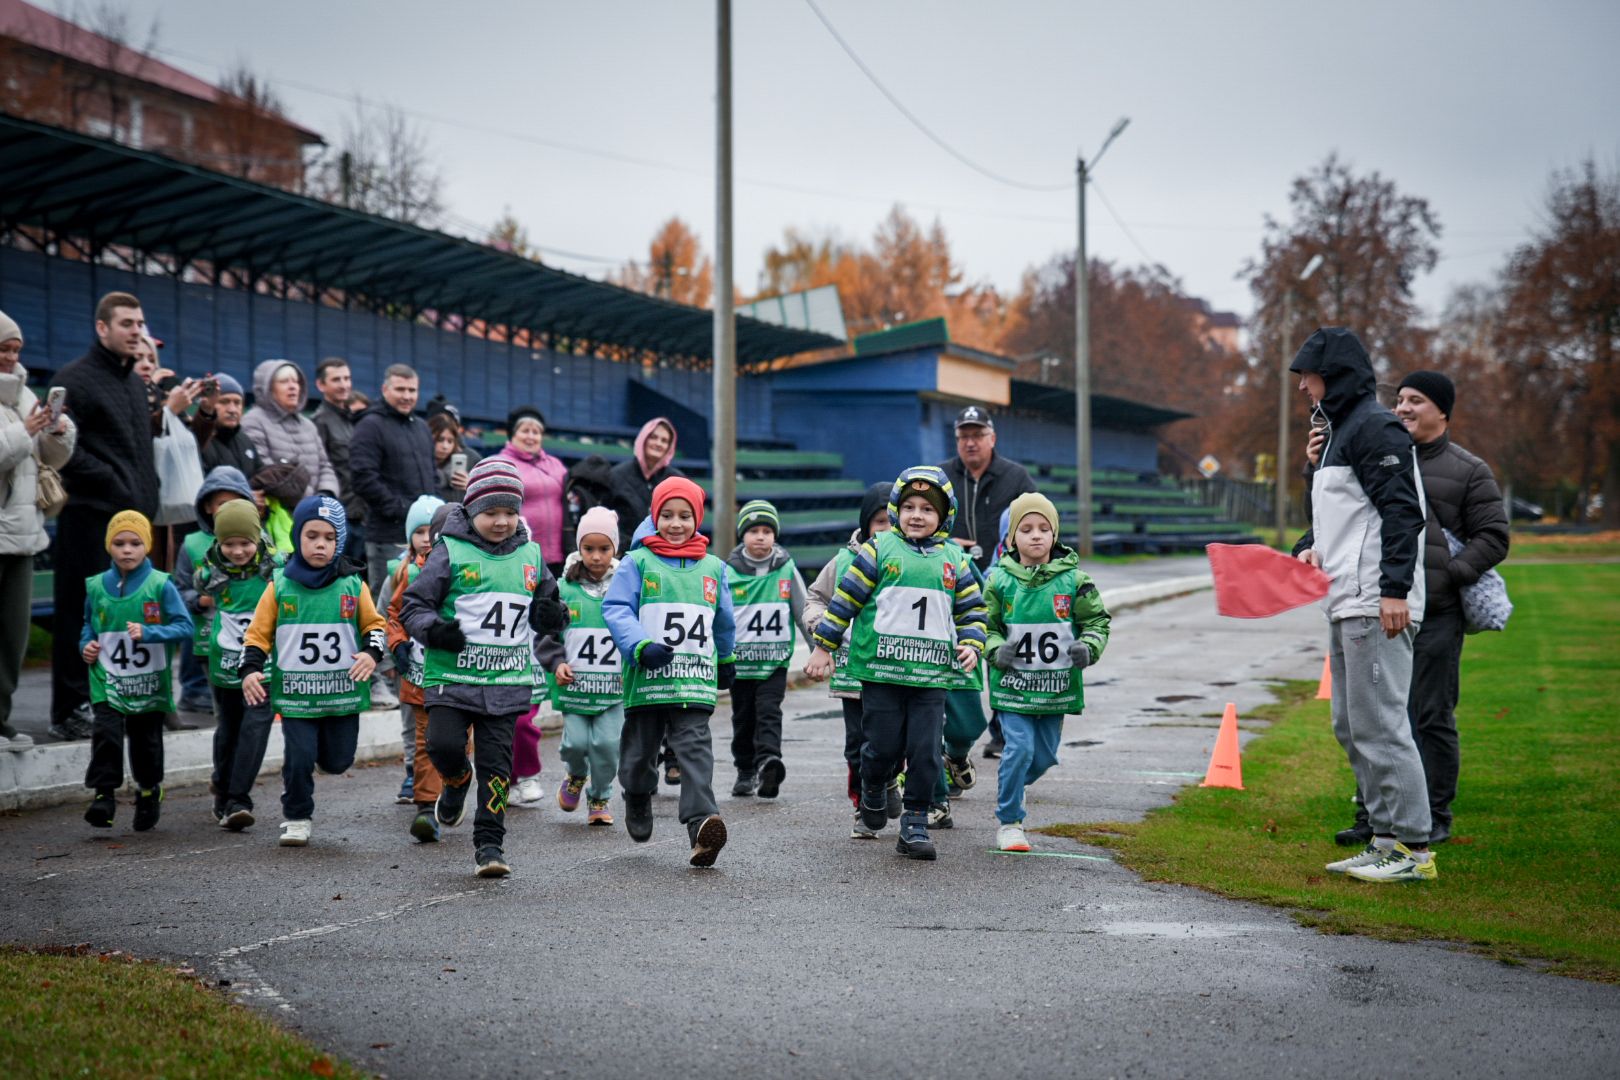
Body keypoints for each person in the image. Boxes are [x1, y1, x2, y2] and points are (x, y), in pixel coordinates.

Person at [1314, 371, 1510, 847]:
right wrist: (1315, 464)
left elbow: (1494, 536)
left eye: (1416, 400)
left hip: (1436, 611)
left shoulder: (1468, 469)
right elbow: (1329, 518)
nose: (1402, 408)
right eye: (1399, 399)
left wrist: (1449, 574)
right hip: (1379, 605)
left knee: (1429, 715)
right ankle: (1373, 816)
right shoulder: (1369, 450)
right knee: (1372, 717)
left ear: (1443, 411)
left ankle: (1434, 816)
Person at [1289, 328, 1436, 884]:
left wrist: (1394, 591)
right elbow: (1343, 517)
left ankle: (1413, 852)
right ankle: (1383, 838)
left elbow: (1402, 513)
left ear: (1336, 373)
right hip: (1346, 600)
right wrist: (1308, 545)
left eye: (1309, 373)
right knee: (1351, 725)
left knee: (1381, 725)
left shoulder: (1376, 427)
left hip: (1378, 603)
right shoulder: (1338, 433)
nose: (1303, 385)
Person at [806, 466, 988, 861]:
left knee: (924, 751)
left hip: (930, 676)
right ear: (895, 511)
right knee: (882, 747)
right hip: (881, 673)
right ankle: (873, 785)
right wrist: (824, 646)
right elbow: (845, 600)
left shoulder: (954, 560)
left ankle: (916, 822)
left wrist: (973, 643)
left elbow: (973, 610)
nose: (917, 515)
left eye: (927, 508)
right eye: (908, 506)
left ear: (944, 517)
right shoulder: (878, 550)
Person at [400, 459, 569, 878]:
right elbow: (413, 606)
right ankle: (456, 780)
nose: (501, 521)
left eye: (510, 512)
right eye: (491, 512)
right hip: (452, 678)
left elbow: (552, 605)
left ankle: (490, 845)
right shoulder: (449, 551)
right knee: (442, 745)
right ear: (472, 510)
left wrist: (552, 616)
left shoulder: (531, 555)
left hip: (506, 684)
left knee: (497, 768)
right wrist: (436, 632)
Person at [602, 476, 735, 867]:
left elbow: (722, 619)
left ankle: (701, 825)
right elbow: (616, 609)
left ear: (698, 518)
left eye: (685, 516)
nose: (676, 524)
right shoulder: (637, 562)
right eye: (667, 515)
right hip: (647, 680)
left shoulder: (714, 567)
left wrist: (726, 658)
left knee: (695, 751)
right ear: (654, 516)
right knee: (640, 753)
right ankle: (637, 794)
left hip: (693, 680)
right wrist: (640, 646)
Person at [238, 496, 385, 848]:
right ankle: (296, 815)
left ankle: (320, 762)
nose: (320, 544)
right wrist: (250, 670)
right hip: (296, 695)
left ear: (340, 542)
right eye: (312, 535)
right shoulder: (280, 585)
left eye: (329, 538)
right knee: (299, 754)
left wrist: (370, 653)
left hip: (342, 693)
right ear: (297, 537)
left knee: (338, 761)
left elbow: (375, 626)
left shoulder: (353, 585)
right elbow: (256, 635)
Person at [49, 292, 160, 741]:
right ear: (102, 328)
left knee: (122, 613)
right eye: (127, 323)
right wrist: (115, 484)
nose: (137, 330)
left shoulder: (133, 381)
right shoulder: (74, 380)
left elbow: (138, 450)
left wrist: (142, 495)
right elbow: (62, 453)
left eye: (140, 322)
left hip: (132, 522)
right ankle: (69, 708)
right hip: (89, 516)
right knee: (82, 612)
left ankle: (111, 699)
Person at [983, 493, 1111, 852]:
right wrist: (995, 649)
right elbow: (982, 626)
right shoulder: (999, 582)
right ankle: (1010, 822)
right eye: (1025, 529)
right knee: (1019, 748)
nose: (1035, 536)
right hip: (1013, 687)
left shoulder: (1074, 581)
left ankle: (1011, 784)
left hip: (1056, 689)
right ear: (1012, 539)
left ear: (1054, 535)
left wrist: (1089, 647)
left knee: (1043, 757)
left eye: (1044, 528)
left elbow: (1097, 621)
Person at [80, 511, 193, 830]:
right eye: (119, 543)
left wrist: (150, 633)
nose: (127, 550)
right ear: (108, 547)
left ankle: (148, 791)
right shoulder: (96, 586)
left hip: (148, 684)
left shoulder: (161, 585)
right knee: (106, 734)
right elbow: (89, 625)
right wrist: (85, 646)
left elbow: (184, 626)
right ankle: (104, 796)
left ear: (147, 546)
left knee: (146, 742)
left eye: (135, 543)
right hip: (108, 679)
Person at [802, 482, 903, 838]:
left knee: (894, 741)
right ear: (866, 524)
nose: (887, 530)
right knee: (858, 743)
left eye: (893, 521)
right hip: (852, 675)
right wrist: (820, 629)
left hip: (895, 672)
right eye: (879, 522)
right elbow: (816, 597)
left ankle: (888, 781)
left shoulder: (911, 561)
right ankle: (863, 805)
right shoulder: (844, 560)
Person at [939, 404, 1036, 761]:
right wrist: (949, 544)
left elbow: (1036, 522)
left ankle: (1001, 730)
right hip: (953, 580)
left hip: (1003, 581)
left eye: (977, 435)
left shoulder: (1016, 477)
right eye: (964, 436)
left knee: (1001, 654)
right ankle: (952, 729)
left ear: (992, 438)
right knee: (957, 656)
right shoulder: (941, 476)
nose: (971, 443)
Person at [0, 309, 76, 751]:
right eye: (4, 349)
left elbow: (54, 459)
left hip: (25, 532)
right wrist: (26, 434)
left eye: (16, 350)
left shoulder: (26, 393)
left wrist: (58, 431)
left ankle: (3, 722)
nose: (11, 357)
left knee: (12, 637)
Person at [194, 498, 280, 830]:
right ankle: (222, 785)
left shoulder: (274, 567)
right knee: (228, 728)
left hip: (262, 662)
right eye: (229, 544)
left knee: (255, 726)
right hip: (225, 660)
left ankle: (238, 799)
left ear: (257, 539)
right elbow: (196, 584)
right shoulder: (212, 570)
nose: (238, 551)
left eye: (245, 543)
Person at [537, 506, 625, 826]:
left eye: (604, 549)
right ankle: (576, 775)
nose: (597, 557)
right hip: (575, 687)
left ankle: (600, 796)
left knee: (607, 745)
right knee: (575, 742)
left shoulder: (626, 588)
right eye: (589, 549)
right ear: (578, 548)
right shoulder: (564, 589)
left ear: (615, 548)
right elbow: (549, 632)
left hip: (613, 688)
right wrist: (557, 661)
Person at [725, 499, 806, 799]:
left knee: (769, 711)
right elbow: (718, 617)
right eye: (753, 530)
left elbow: (803, 611)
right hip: (740, 664)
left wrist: (819, 649)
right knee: (743, 718)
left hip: (773, 662)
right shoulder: (728, 572)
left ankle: (769, 761)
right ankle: (745, 769)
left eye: (767, 531)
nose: (760, 536)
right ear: (742, 535)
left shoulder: (786, 568)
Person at [384, 495, 454, 843]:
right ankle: (426, 808)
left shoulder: (470, 566)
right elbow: (394, 613)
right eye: (424, 533)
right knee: (426, 741)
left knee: (458, 744)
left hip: (464, 675)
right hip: (421, 672)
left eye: (438, 533)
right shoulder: (411, 572)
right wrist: (397, 644)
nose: (431, 540)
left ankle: (454, 785)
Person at [173, 467, 258, 715]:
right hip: (210, 641)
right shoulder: (192, 544)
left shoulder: (260, 542)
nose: (230, 509)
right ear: (208, 506)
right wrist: (201, 600)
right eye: (222, 503)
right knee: (226, 711)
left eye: (237, 502)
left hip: (252, 641)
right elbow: (180, 591)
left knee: (253, 709)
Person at [349, 364, 436, 598]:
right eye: (400, 389)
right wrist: (401, 510)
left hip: (425, 536)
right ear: (385, 389)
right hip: (388, 535)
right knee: (388, 602)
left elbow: (432, 476)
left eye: (412, 390)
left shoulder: (422, 428)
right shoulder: (370, 425)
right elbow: (362, 477)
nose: (407, 396)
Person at [240, 360, 339, 504]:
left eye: (296, 381)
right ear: (267, 388)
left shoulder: (308, 425)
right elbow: (266, 469)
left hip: (315, 510)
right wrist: (311, 502)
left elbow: (325, 466)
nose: (293, 387)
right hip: (279, 513)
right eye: (284, 381)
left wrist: (325, 494)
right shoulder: (253, 421)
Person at [497, 406, 569, 578]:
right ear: (513, 435)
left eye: (536, 432)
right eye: (525, 431)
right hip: (518, 552)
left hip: (557, 555)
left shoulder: (555, 464)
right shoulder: (501, 463)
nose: (531, 436)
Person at [605, 417, 684, 554]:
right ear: (643, 439)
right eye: (653, 437)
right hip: (624, 554)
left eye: (664, 441)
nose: (658, 443)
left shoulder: (677, 480)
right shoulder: (616, 475)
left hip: (664, 556)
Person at [312, 358, 364, 560]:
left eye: (347, 378)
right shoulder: (320, 422)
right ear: (321, 385)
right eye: (336, 379)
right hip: (340, 517)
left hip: (360, 516)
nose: (344, 384)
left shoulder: (352, 420)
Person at [192, 374, 262, 480]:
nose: (232, 410)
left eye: (237, 403)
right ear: (207, 404)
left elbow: (259, 474)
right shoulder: (197, 439)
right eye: (224, 402)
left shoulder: (245, 440)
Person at [429, 413, 470, 503]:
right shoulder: (422, 467)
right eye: (440, 440)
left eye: (450, 441)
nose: (445, 446)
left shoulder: (465, 465)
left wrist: (470, 488)